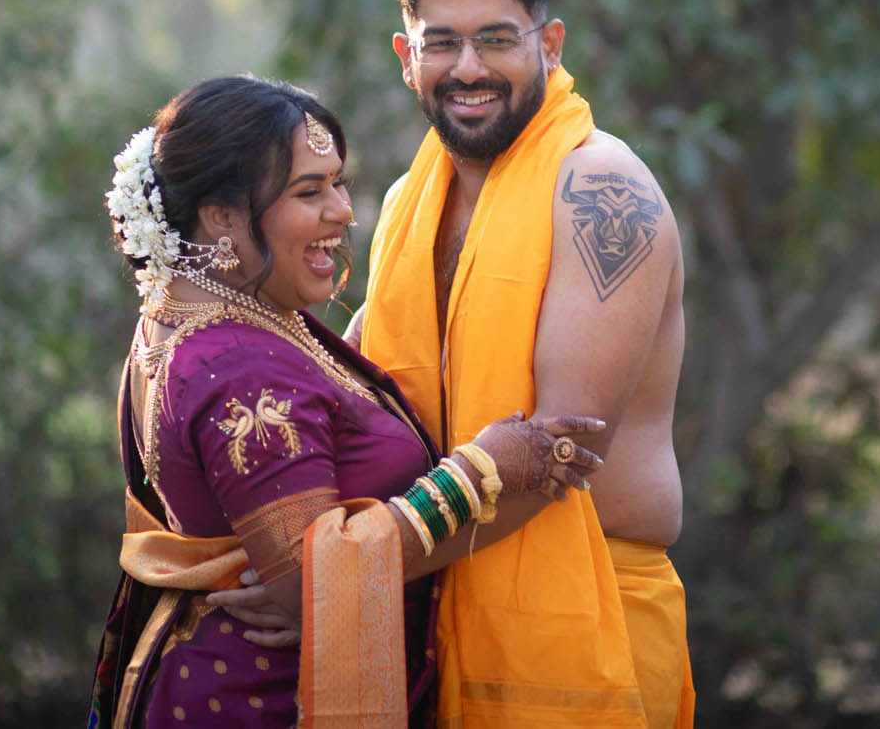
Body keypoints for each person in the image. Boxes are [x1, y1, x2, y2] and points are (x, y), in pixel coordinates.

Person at [85, 76, 606, 729]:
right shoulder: (239, 367)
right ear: (221, 216)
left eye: (338, 183)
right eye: (309, 192)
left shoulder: (199, 313)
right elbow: (308, 584)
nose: (343, 211)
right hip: (263, 702)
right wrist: (480, 475)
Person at [355, 0, 695, 729]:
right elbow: (344, 381)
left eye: (497, 39)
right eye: (442, 43)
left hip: (589, 618)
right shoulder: (407, 204)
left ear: (550, 43)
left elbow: (555, 450)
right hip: (435, 607)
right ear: (407, 57)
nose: (468, 67)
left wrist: (350, 573)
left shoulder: (604, 190)